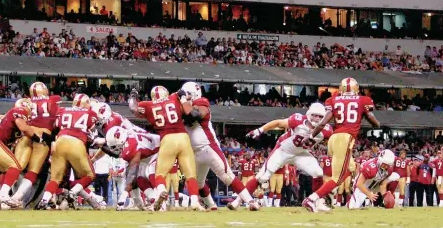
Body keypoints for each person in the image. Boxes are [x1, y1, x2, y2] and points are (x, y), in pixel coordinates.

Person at [305, 78, 380, 212]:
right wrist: (375, 123)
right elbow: (374, 121)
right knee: (337, 179)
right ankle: (312, 199)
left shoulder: (333, 100)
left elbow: (322, 123)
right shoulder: (363, 100)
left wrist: (311, 136)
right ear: (356, 88)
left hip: (333, 139)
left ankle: (324, 197)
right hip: (345, 139)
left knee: (351, 167)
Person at [241, 103, 332, 212]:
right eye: (314, 115)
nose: (317, 118)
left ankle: (318, 202)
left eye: (320, 116)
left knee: (318, 172)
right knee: (262, 177)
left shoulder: (327, 130)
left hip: (301, 154)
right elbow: (278, 122)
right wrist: (260, 130)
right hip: (284, 150)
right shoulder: (297, 120)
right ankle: (239, 200)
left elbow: (332, 140)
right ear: (308, 114)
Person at [180, 81, 255, 210]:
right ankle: (211, 205)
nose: (184, 97)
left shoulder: (201, 102)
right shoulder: (182, 106)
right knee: (198, 183)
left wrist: (183, 104)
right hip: (193, 151)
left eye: (186, 94)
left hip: (208, 147)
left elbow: (194, 115)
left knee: (226, 176)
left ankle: (250, 202)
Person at [129, 85, 203, 211]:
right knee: (190, 174)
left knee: (160, 174)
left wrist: (133, 96)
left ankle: (162, 191)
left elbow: (133, 108)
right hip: (183, 137)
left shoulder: (148, 105)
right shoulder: (174, 97)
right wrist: (184, 96)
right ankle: (195, 202)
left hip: (167, 139)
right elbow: (190, 111)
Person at [0, 98, 39, 208]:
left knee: (6, 171)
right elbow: (23, 127)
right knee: (15, 166)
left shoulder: (8, 117)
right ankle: (3, 194)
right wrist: (38, 139)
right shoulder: (19, 111)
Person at [37, 101, 101, 209]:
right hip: (76, 143)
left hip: (60, 141)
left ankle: (44, 200)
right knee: (91, 175)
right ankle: (72, 193)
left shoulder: (62, 110)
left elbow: (54, 128)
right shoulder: (90, 112)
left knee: (55, 179)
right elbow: (94, 135)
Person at [12, 82, 62, 204]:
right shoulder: (54, 99)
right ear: (45, 90)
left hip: (27, 134)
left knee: (15, 167)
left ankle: (3, 196)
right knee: (33, 171)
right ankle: (16, 198)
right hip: (42, 136)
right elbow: (57, 123)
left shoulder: (24, 102)